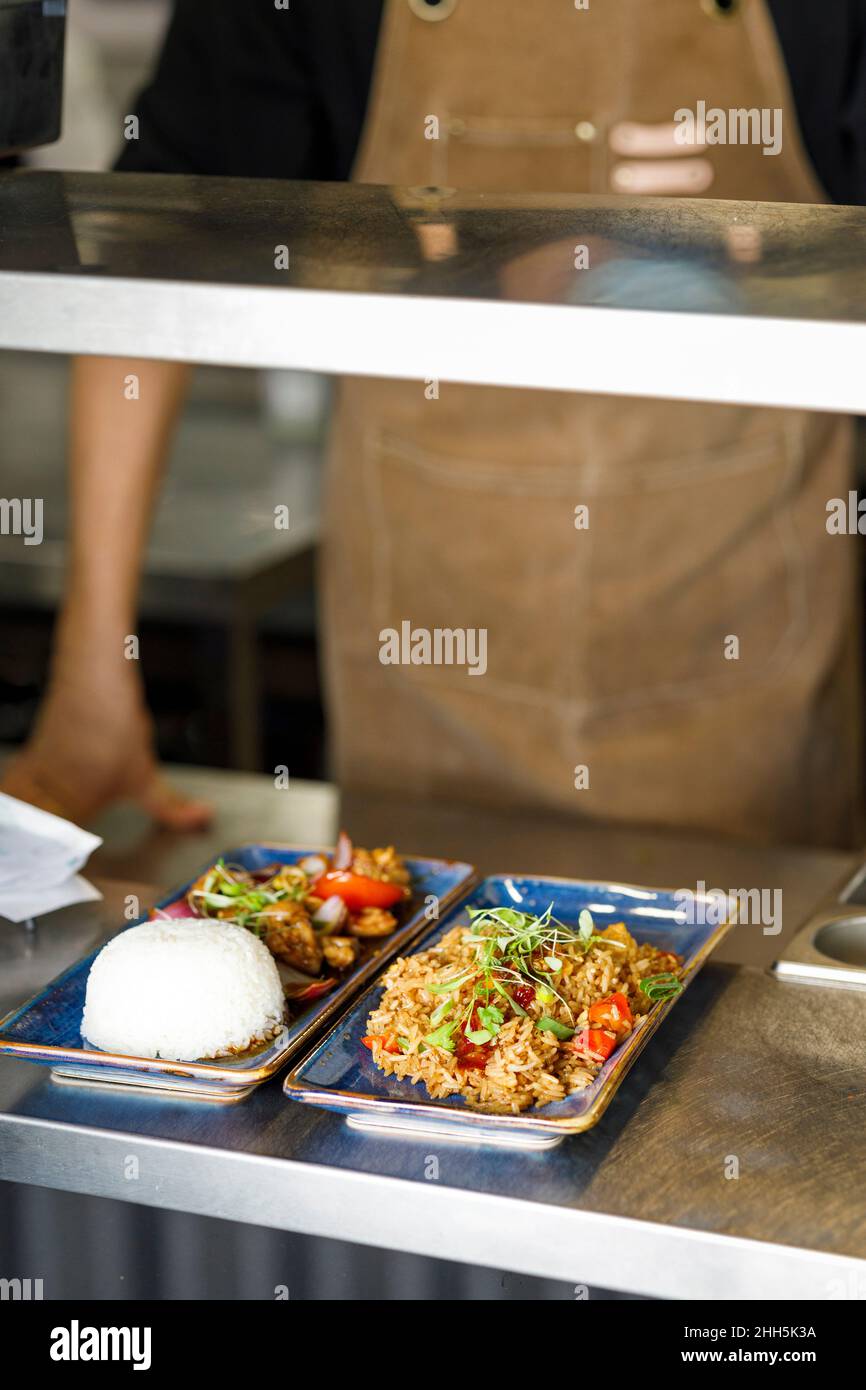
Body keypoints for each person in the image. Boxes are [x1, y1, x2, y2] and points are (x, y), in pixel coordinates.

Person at [4, 0, 866, 846]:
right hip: (423, 693)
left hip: (749, 686)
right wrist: (90, 684)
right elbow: (155, 237)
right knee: (419, 971)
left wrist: (772, 247)